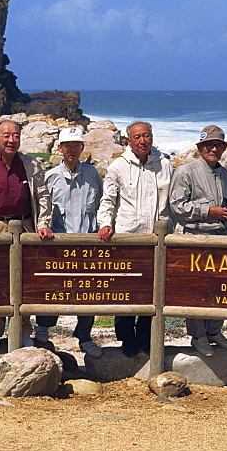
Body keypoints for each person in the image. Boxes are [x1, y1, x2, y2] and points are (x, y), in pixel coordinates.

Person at [0, 120, 53, 351]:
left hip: (25, 227)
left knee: (24, 281)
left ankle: (24, 330)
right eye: (6, 135)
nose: (11, 140)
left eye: (15, 135)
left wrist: (43, 224)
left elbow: (43, 198)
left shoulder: (31, 165)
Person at [97, 120, 173, 358]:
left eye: (147, 136)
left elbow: (174, 202)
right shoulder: (118, 166)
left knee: (154, 293)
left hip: (158, 241)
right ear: (128, 140)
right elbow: (108, 200)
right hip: (128, 240)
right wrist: (105, 224)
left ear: (152, 137)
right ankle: (127, 339)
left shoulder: (165, 165)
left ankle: (146, 337)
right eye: (137, 137)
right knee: (126, 292)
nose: (143, 141)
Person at [168, 125, 227, 357]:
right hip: (197, 237)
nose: (213, 148)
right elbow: (177, 206)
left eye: (218, 144)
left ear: (223, 148)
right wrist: (209, 211)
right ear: (200, 147)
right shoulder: (185, 171)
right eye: (209, 144)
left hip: (224, 238)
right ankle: (198, 335)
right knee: (198, 290)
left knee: (222, 288)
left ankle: (215, 331)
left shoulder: (226, 174)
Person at [33, 126, 105, 358]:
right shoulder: (51, 176)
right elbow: (43, 208)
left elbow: (102, 204)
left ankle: (84, 336)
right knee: (54, 289)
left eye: (77, 145)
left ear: (83, 148)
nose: (72, 150)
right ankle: (43, 329)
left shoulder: (93, 174)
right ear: (60, 148)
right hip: (58, 246)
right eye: (68, 146)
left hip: (88, 244)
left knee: (88, 292)